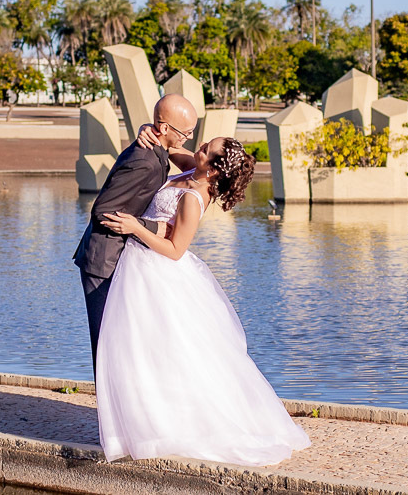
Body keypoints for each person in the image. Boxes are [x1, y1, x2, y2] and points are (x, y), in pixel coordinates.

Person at [96, 135, 310, 466]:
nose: (198, 149)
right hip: (142, 269)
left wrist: (134, 227)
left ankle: (165, 425)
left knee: (159, 350)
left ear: (212, 171)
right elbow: (170, 148)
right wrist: (148, 131)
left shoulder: (193, 198)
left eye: (205, 150)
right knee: (148, 350)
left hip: (157, 271)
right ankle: (148, 419)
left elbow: (175, 250)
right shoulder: (193, 169)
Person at [73, 94, 199, 376]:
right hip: (103, 261)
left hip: (126, 259)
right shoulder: (144, 159)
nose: (189, 139)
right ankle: (108, 417)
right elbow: (102, 211)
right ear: (165, 128)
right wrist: (153, 228)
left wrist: (149, 128)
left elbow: (186, 161)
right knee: (106, 343)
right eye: (186, 132)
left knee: (124, 342)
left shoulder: (158, 150)